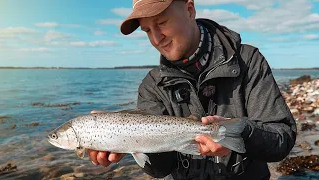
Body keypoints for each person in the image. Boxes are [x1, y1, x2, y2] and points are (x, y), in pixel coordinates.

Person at [87, 0, 297, 179]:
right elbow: (160, 169)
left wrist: (241, 133)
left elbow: (283, 137)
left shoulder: (248, 61)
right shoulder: (152, 86)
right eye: (148, 30)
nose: (156, 39)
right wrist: (128, 142)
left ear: (189, 9)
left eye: (161, 22)